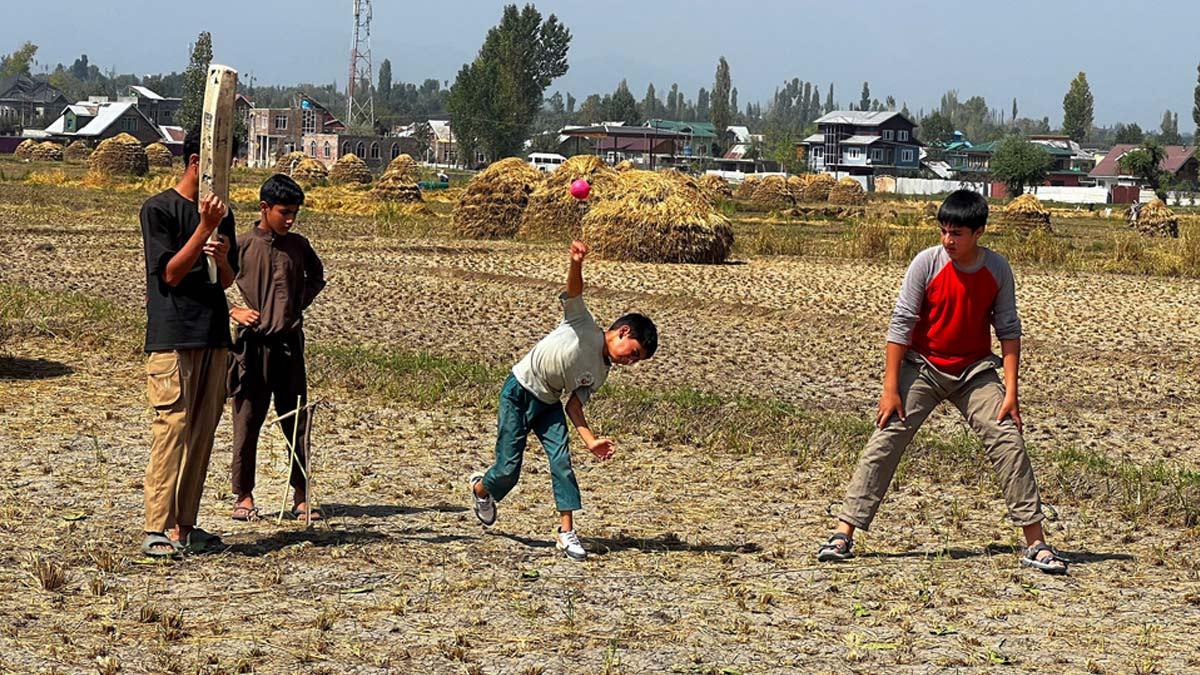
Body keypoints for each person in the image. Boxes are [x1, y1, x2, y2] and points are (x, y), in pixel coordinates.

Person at [816, 190, 1068, 575]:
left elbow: (1009, 330)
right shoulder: (926, 264)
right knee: (886, 437)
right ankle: (843, 532)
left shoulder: (997, 270)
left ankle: (1036, 543)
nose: (949, 240)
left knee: (1008, 440)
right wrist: (890, 390)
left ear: (979, 232)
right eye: (944, 231)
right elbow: (900, 325)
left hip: (974, 373)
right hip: (922, 367)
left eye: (958, 234)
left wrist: (1011, 392)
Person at [469, 241, 658, 561]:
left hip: (549, 404)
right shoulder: (583, 325)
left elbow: (574, 406)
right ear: (623, 332)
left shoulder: (601, 373)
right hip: (518, 391)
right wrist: (576, 263)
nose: (631, 362)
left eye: (637, 361)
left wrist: (591, 441)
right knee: (507, 471)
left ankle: (566, 532)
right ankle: (480, 489)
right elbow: (574, 289)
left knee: (562, 463)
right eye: (634, 353)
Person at [139, 125, 237, 557]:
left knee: (202, 433)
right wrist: (204, 230)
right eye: (219, 165)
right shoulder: (159, 210)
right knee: (172, 429)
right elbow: (171, 274)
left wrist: (223, 257)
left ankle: (186, 525)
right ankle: (156, 528)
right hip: (174, 336)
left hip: (213, 336)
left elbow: (227, 280)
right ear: (196, 162)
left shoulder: (224, 214)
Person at [226, 174, 325, 523]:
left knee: (296, 423)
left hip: (289, 349)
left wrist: (296, 304)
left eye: (295, 212)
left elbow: (317, 277)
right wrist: (233, 310)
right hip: (252, 349)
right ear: (264, 208)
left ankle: (301, 495)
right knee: (247, 422)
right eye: (284, 212)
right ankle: (244, 494)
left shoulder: (299, 246)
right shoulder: (242, 245)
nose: (290, 219)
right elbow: (214, 282)